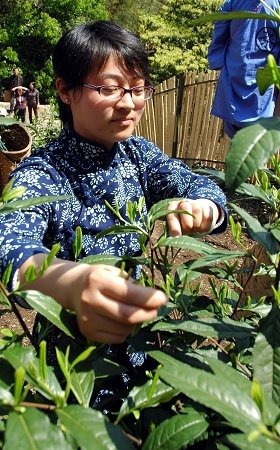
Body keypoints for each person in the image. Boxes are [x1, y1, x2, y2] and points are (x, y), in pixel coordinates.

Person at [0, 20, 227, 347]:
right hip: (71, 373)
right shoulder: (43, 172)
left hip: (143, 351)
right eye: (109, 89)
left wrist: (204, 207)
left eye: (138, 88)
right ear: (65, 90)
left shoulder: (139, 154)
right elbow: (9, 244)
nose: (128, 103)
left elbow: (197, 186)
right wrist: (71, 282)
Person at [208, 0, 280, 138]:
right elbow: (218, 40)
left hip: (259, 88)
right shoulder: (232, 4)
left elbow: (218, 42)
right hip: (238, 86)